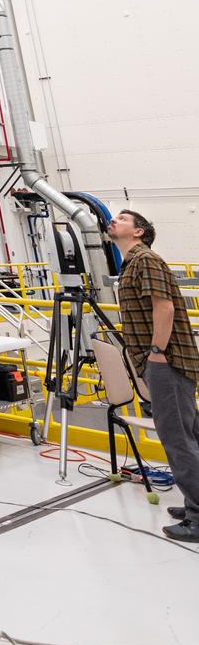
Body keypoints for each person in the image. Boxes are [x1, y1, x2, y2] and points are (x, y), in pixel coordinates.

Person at [111, 208, 199, 542]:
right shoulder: (132, 263)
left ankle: (198, 515)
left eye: (123, 218)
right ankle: (194, 502)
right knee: (189, 434)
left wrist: (157, 352)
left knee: (177, 439)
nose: (114, 220)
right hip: (163, 361)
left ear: (139, 231)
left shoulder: (145, 260)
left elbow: (164, 307)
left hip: (167, 361)